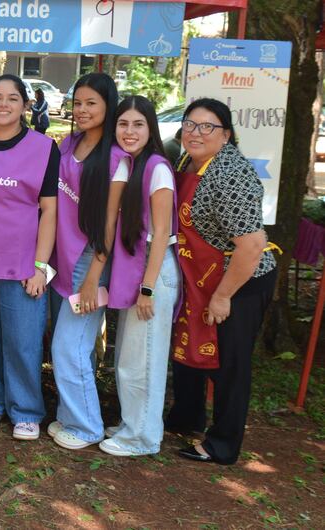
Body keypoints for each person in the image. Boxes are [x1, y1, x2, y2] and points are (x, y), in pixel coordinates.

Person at [165, 98, 278, 465]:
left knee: (229, 363)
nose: (196, 133)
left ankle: (223, 444)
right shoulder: (188, 161)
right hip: (200, 274)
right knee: (188, 345)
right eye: (190, 124)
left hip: (240, 280)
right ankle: (187, 416)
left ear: (226, 135)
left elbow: (252, 245)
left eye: (207, 126)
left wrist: (224, 296)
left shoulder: (231, 175)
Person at [0, 74, 58, 441]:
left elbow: (49, 211)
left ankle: (26, 410)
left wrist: (40, 266)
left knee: (23, 340)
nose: (4, 104)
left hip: (23, 265)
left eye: (13, 98)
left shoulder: (43, 148)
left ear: (25, 105)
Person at [47, 73, 130, 450]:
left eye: (90, 103)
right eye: (77, 102)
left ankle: (86, 427)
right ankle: (69, 416)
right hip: (61, 257)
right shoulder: (69, 143)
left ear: (108, 106)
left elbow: (109, 226)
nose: (81, 110)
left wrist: (93, 276)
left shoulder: (115, 158)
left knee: (71, 344)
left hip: (90, 260)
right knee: (67, 343)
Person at [101, 96, 180, 457]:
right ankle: (133, 425)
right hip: (136, 265)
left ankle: (144, 438)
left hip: (153, 268)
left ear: (151, 129)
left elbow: (162, 233)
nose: (129, 132)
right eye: (123, 124)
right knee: (128, 358)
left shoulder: (157, 168)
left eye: (137, 125)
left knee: (144, 358)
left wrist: (147, 288)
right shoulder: (129, 164)